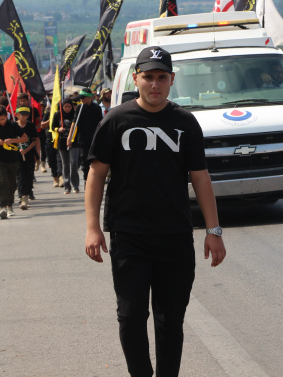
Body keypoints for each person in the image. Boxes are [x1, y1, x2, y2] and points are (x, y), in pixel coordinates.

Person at [84, 46, 226, 377]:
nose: (155, 84)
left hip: (175, 237)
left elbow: (200, 178)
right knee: (131, 316)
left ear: (172, 80)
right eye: (148, 77)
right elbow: (96, 174)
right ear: (136, 79)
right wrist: (92, 227)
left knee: (170, 320)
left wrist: (214, 230)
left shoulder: (185, 123)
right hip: (129, 236)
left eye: (162, 77)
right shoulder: (116, 121)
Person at [0, 105, 29, 219]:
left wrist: (13, 140)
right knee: (1, 181)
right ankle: (3, 206)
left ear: (6, 116)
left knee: (11, 183)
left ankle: (10, 205)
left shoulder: (13, 125)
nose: (1, 121)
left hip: (12, 159)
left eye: (2, 119)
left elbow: (25, 138)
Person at [68, 88, 104, 184]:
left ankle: (93, 179)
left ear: (89, 98)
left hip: (93, 138)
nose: (82, 100)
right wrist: (69, 137)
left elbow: (100, 124)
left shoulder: (97, 108)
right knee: (84, 159)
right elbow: (74, 123)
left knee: (94, 159)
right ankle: (86, 180)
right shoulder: (79, 108)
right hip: (82, 138)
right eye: (80, 98)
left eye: (83, 98)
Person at [52, 99, 80, 194]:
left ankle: (75, 185)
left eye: (69, 106)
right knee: (65, 164)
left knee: (74, 162)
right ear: (62, 107)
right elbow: (52, 127)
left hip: (74, 142)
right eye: (65, 107)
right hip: (62, 142)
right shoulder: (58, 114)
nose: (67, 109)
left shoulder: (75, 114)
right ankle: (67, 185)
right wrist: (58, 129)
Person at [15, 106, 40, 208]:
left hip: (29, 154)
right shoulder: (14, 126)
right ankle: (23, 197)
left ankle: (28, 192)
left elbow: (34, 141)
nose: (25, 117)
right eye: (23, 114)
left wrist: (26, 150)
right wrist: (18, 149)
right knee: (20, 176)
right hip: (17, 155)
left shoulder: (30, 126)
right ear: (17, 115)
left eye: (27, 115)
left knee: (29, 176)